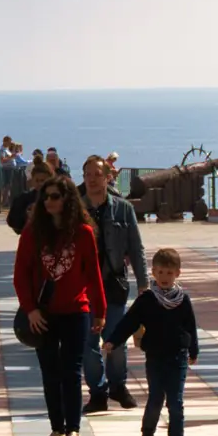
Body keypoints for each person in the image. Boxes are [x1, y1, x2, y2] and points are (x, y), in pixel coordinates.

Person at [15, 173, 104, 436]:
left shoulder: (83, 232)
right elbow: (21, 275)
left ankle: (73, 431)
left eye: (56, 196)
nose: (50, 201)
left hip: (77, 312)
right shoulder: (32, 232)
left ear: (68, 199)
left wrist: (100, 312)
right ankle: (57, 429)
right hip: (43, 315)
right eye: (46, 197)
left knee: (71, 371)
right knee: (50, 373)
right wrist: (30, 309)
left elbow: (93, 275)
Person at [105, 245, 198, 436]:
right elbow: (129, 322)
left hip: (178, 357)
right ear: (153, 273)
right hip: (155, 357)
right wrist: (113, 340)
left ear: (177, 273)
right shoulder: (147, 299)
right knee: (156, 399)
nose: (165, 277)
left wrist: (194, 349)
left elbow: (190, 326)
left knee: (175, 402)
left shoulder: (183, 300)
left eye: (169, 272)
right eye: (160, 272)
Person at [80, 155, 147, 413]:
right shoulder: (76, 209)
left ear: (108, 177)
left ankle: (118, 386)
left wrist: (144, 284)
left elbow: (136, 248)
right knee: (89, 341)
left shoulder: (123, 209)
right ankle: (97, 392)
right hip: (84, 287)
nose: (92, 179)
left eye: (97, 174)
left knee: (116, 339)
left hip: (114, 283)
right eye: (88, 174)